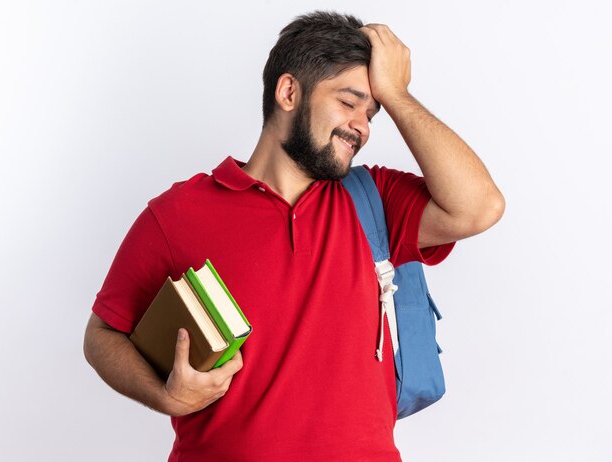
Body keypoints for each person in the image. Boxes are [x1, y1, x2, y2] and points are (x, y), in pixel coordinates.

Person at [84, 11, 504, 462]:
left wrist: (398, 95)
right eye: (349, 102)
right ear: (289, 92)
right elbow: (103, 335)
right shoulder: (178, 214)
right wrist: (166, 396)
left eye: (372, 113)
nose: (362, 126)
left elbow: (480, 207)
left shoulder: (374, 199)